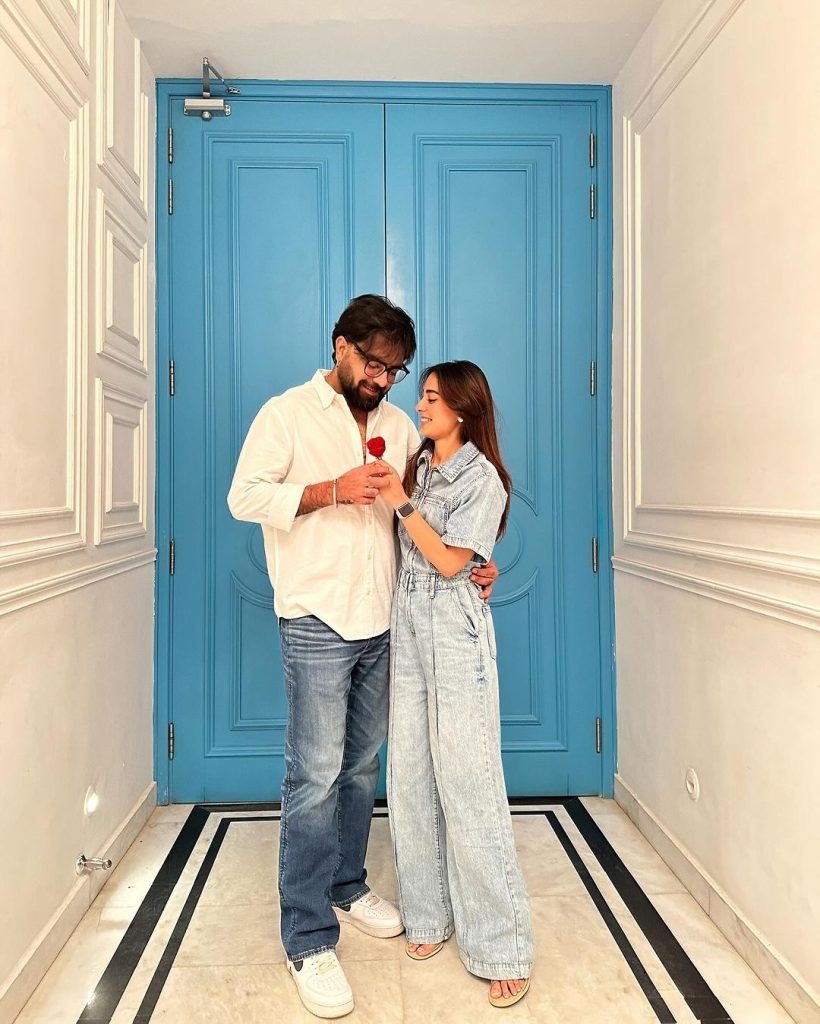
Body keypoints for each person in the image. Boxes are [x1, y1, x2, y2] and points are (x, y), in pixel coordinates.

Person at [227, 296, 498, 1019]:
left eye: (395, 370)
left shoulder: (400, 426)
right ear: (341, 346)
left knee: (358, 768)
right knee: (314, 775)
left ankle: (347, 886)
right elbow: (243, 497)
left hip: (384, 620)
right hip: (316, 616)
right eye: (374, 364)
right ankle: (308, 937)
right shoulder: (286, 414)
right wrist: (329, 491)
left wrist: (475, 563)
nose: (382, 380)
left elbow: (430, 515)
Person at [376, 360, 534, 1009]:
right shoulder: (418, 464)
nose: (421, 407)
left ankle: (502, 946)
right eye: (422, 397)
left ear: (464, 409)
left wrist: (401, 502)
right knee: (410, 777)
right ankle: (428, 915)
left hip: (454, 627)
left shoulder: (483, 478)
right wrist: (403, 493)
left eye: (432, 399)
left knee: (468, 784)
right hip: (408, 624)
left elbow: (447, 562)